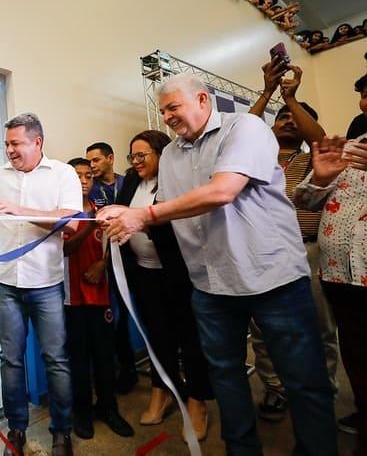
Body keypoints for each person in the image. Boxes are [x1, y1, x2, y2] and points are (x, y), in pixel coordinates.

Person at [97, 73, 337, 455]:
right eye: (163, 111)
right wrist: (123, 214)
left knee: (304, 381)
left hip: (272, 279)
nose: (168, 117)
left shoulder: (247, 128)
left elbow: (223, 191)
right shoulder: (172, 154)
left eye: (173, 107)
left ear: (204, 100)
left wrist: (142, 216)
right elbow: (172, 213)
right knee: (225, 380)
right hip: (211, 287)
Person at [0, 113, 81, 456]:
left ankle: (62, 433)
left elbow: (71, 225)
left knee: (56, 359)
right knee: (10, 359)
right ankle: (17, 431)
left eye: (15, 143)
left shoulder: (63, 174)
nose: (9, 150)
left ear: (37, 142)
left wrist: (18, 209)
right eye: (6, 144)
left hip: (46, 282)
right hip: (7, 282)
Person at [249, 59, 339, 422]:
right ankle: (276, 389)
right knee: (263, 328)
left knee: (319, 327)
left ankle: (324, 389)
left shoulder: (315, 159)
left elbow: (318, 138)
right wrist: (269, 92)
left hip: (309, 249)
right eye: (281, 116)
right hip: (261, 250)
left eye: (295, 117)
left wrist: (292, 98)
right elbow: (243, 130)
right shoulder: (255, 161)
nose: (287, 120)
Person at [114, 130, 214, 441]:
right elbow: (122, 211)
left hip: (179, 274)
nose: (136, 161)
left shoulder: (178, 180)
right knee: (157, 337)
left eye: (143, 155)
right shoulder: (131, 180)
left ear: (163, 155)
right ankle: (163, 389)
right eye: (133, 156)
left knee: (189, 338)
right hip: (143, 273)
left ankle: (198, 401)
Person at [294, 73, 367, 454]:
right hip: (340, 275)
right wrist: (321, 178)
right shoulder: (350, 152)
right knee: (355, 354)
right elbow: (305, 201)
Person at [62, 158, 133, 440]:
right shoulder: (63, 215)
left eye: (88, 175)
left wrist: (102, 265)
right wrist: (89, 225)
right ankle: (82, 411)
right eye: (77, 175)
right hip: (72, 299)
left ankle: (109, 408)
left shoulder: (103, 212)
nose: (83, 180)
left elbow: (112, 247)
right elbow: (64, 249)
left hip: (101, 295)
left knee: (105, 355)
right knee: (78, 358)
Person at [85, 143, 137, 394]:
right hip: (100, 263)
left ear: (110, 158)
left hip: (130, 258)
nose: (92, 166)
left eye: (96, 161)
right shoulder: (89, 189)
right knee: (110, 319)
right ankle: (110, 374)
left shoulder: (128, 183)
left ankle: (129, 370)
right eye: (89, 161)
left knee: (124, 318)